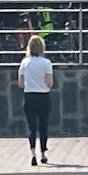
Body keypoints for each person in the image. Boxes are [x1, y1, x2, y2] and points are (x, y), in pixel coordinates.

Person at [19, 32, 55, 166]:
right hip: (43, 96)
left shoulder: (25, 63)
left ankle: (33, 153)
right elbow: (50, 83)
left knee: (31, 126)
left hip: (29, 96)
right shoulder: (46, 63)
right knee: (43, 125)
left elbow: (21, 83)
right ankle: (43, 153)